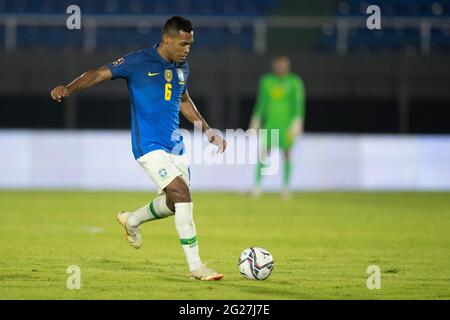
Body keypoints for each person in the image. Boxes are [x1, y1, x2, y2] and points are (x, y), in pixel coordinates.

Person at [50, 16, 226, 281]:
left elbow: (184, 99)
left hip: (174, 146)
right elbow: (98, 73)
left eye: (190, 44)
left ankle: (132, 220)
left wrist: (207, 129)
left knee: (172, 203)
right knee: (182, 193)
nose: (187, 50)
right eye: (183, 44)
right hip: (148, 144)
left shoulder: (182, 68)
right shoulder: (137, 62)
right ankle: (196, 267)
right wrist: (69, 87)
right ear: (167, 39)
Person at [249, 55, 305, 199]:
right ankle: (257, 187)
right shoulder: (267, 81)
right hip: (271, 124)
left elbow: (298, 103)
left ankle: (286, 188)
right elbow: (262, 102)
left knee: (287, 154)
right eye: (278, 65)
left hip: (287, 125)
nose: (280, 68)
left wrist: (298, 121)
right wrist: (256, 119)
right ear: (274, 66)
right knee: (264, 154)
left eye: (283, 65)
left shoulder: (294, 81)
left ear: (287, 66)